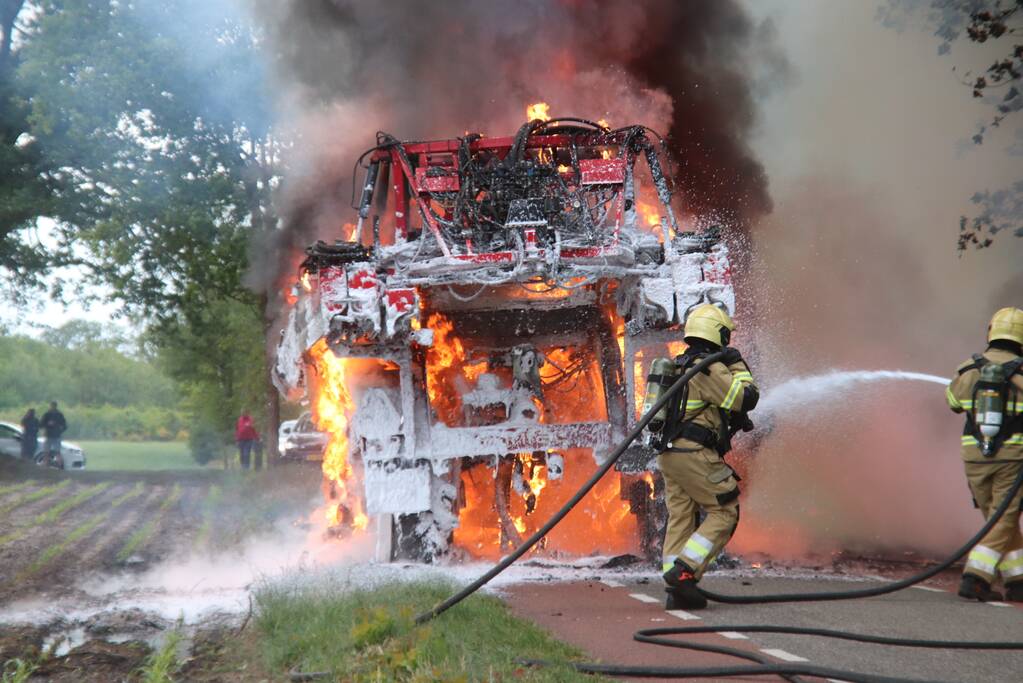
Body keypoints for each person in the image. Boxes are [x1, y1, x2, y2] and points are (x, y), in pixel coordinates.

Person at [657, 304, 759, 610]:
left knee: (681, 517)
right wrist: (737, 363)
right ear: (719, 334)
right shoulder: (708, 368)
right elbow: (745, 399)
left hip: (670, 455)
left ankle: (677, 589)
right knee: (725, 511)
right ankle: (685, 569)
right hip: (694, 454)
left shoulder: (680, 365)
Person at [946, 306, 1023, 603]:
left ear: (992, 332)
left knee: (1000, 516)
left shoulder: (969, 367)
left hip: (974, 457)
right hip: (1012, 457)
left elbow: (953, 401)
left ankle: (1017, 580)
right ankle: (976, 577)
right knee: (1002, 518)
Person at [40, 402, 67, 468]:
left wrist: (47, 425)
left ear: (51, 406)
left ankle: (45, 466)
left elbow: (41, 424)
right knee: (57, 452)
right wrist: (60, 431)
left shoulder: (47, 414)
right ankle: (60, 466)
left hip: (49, 435)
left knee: (46, 452)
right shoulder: (60, 414)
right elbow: (65, 426)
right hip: (56, 436)